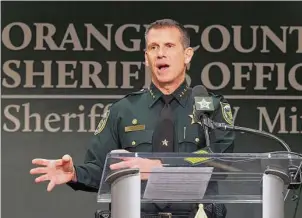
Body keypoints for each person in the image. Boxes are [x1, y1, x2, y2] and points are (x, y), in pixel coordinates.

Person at [30, 18, 235, 218]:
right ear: (146, 58)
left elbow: (219, 159)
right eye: (153, 47)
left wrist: (161, 168)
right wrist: (74, 174)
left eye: (169, 46)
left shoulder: (210, 106)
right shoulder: (123, 110)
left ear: (187, 55)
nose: (161, 54)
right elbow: (101, 168)